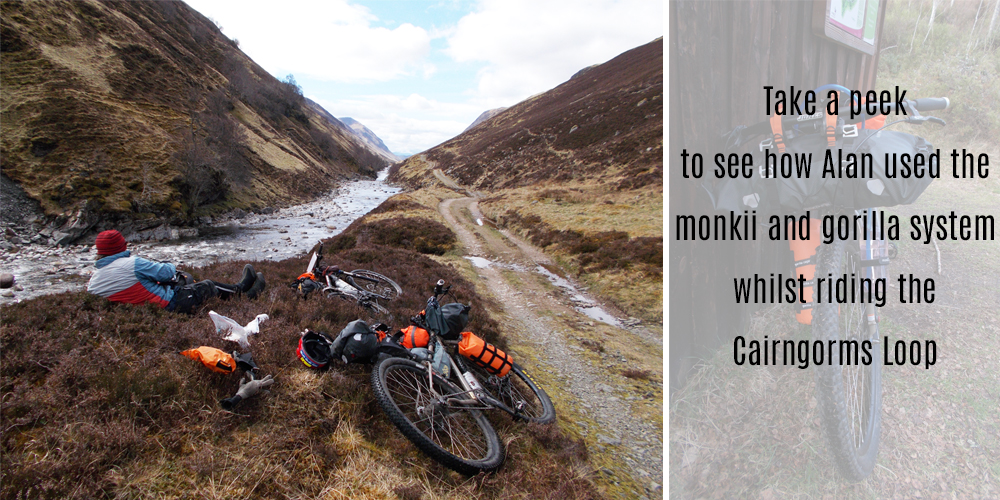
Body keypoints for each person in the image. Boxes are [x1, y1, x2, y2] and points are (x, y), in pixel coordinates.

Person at [86, 229, 265, 314]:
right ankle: (243, 292)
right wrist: (169, 266)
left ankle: (239, 289)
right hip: (168, 305)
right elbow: (165, 272)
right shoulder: (132, 264)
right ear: (120, 247)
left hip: (141, 312)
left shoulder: (93, 282)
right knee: (206, 286)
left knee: (186, 283)